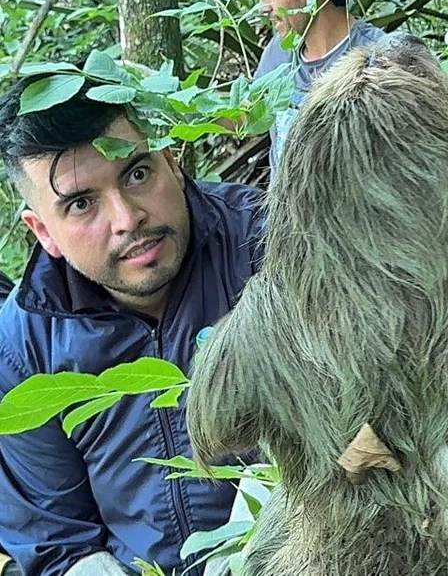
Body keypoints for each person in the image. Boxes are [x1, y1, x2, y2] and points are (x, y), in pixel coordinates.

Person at [0, 77, 265, 576]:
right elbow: (58, 542)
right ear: (42, 232)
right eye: (81, 203)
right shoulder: (23, 346)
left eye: (138, 173)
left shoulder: (272, 248)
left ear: (172, 161)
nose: (127, 218)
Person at [233, 0, 385, 172]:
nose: (262, 6)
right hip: (284, 209)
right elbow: (247, 116)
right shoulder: (279, 52)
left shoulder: (382, 58)